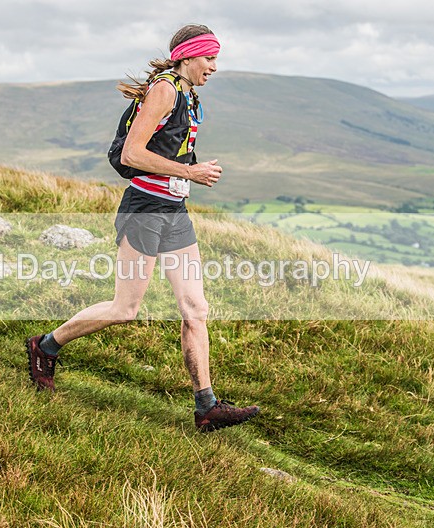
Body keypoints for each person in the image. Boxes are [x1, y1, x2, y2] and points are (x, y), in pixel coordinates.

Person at [26, 24, 260, 432]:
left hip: (174, 210)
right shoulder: (165, 89)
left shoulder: (189, 93)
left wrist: (185, 180)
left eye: (216, 58)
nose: (214, 67)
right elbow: (133, 153)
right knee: (125, 308)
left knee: (195, 309)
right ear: (188, 56)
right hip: (145, 209)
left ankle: (206, 406)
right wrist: (191, 171)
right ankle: (45, 346)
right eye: (209, 58)